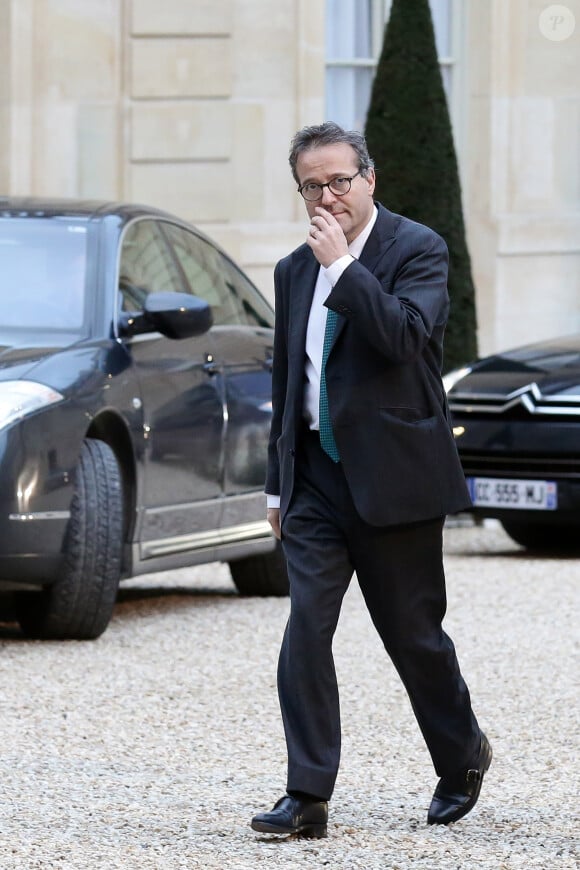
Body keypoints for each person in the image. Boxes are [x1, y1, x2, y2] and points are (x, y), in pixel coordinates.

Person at [250, 122, 491, 838]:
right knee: (306, 629)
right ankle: (308, 794)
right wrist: (276, 486)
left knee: (412, 636)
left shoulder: (418, 249)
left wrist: (346, 273)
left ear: (370, 178)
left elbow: (406, 339)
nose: (329, 196)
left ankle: (461, 754)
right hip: (316, 478)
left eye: (340, 181)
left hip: (395, 480)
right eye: (313, 186)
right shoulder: (295, 269)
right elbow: (289, 380)